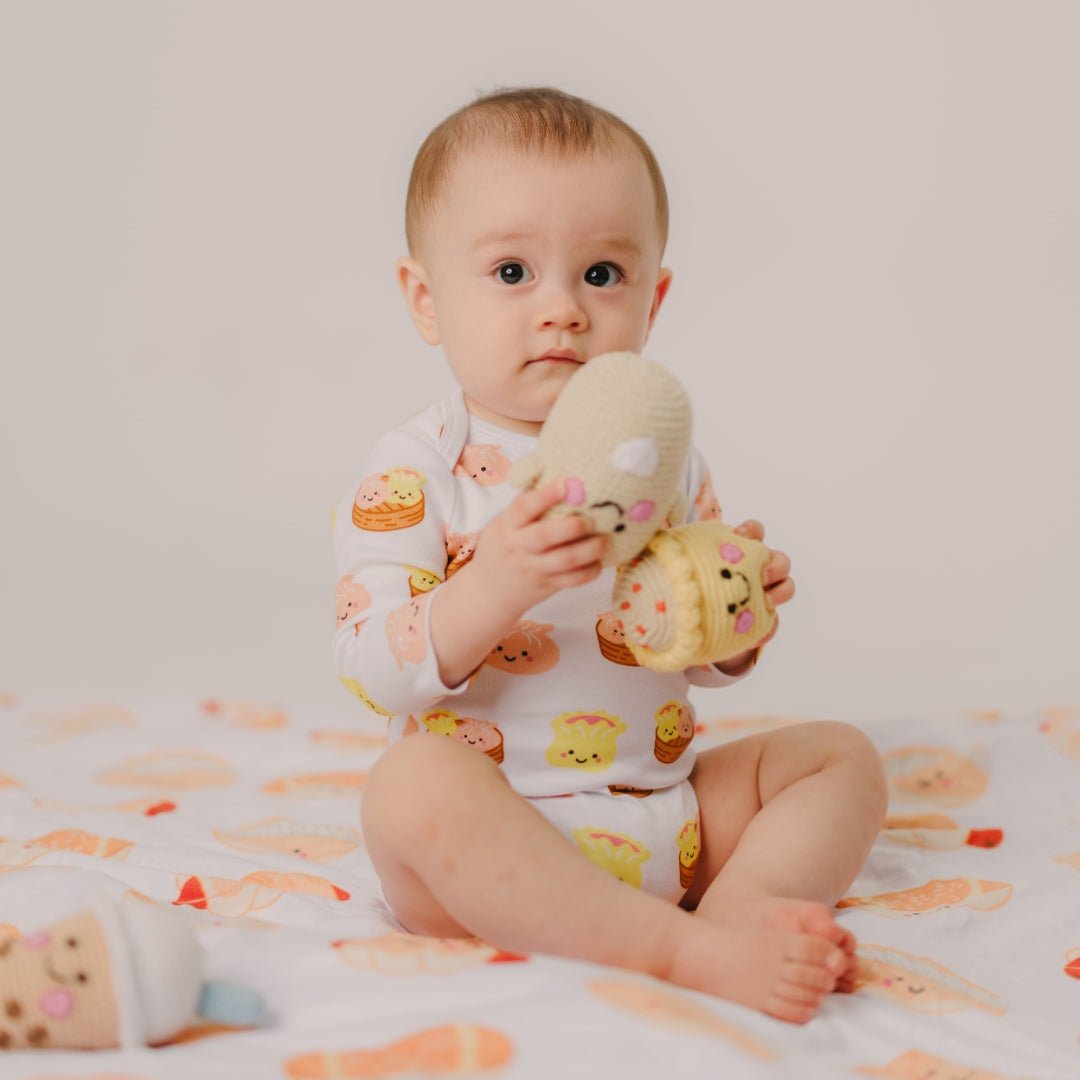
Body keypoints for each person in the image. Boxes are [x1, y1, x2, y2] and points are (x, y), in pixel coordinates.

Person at [331, 86, 888, 1024]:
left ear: (653, 296)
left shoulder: (665, 458)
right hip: (491, 852)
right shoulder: (417, 466)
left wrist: (733, 615)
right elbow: (373, 669)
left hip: (666, 823)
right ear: (426, 299)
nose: (562, 311)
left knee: (842, 759)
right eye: (512, 273)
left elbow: (692, 661)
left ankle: (745, 907)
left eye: (601, 275)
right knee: (407, 788)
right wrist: (500, 580)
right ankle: (682, 950)